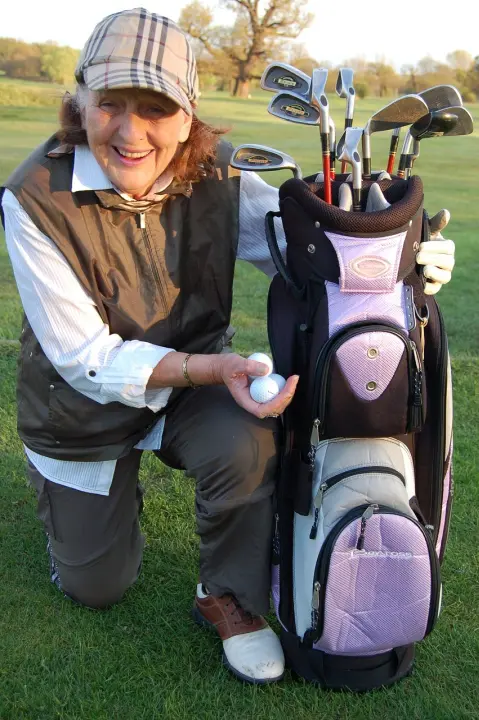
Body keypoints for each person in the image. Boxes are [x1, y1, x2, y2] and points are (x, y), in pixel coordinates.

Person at [0, 7, 456, 685]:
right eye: (110, 104)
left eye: (156, 108)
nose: (129, 132)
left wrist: (397, 266)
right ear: (79, 102)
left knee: (249, 440)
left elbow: (305, 258)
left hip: (196, 390)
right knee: (95, 586)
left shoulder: (220, 173)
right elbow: (84, 359)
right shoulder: (33, 197)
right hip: (80, 411)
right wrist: (213, 366)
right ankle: (91, 511)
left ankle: (227, 597)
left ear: (188, 116)